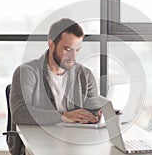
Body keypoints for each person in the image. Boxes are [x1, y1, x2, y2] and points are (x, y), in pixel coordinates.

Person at [8, 18, 101, 155]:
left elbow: (92, 111)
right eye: (67, 49)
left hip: (73, 144)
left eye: (77, 50)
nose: (73, 56)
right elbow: (20, 113)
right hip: (38, 145)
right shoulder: (26, 72)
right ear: (51, 45)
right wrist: (63, 116)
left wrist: (97, 115)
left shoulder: (85, 75)